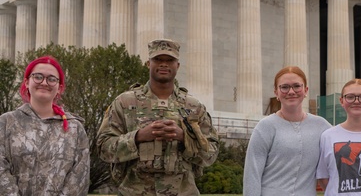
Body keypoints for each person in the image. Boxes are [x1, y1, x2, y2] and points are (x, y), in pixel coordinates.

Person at [97, 38, 219, 196]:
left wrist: (183, 137)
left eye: (170, 60)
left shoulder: (193, 107)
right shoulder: (125, 102)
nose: (164, 64)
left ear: (178, 66)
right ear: (148, 63)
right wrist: (138, 136)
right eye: (158, 59)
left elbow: (211, 154)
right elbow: (103, 148)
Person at [0, 55, 90, 195]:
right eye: (37, 76)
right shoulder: (6, 123)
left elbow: (79, 177)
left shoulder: (75, 129)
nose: (44, 82)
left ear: (59, 88)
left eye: (51, 79)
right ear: (26, 82)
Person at [243, 65, 332, 196]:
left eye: (297, 86)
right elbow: (252, 175)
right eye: (284, 87)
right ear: (276, 92)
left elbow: (344, 145)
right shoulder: (265, 127)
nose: (291, 91)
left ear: (306, 90)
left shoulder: (321, 126)